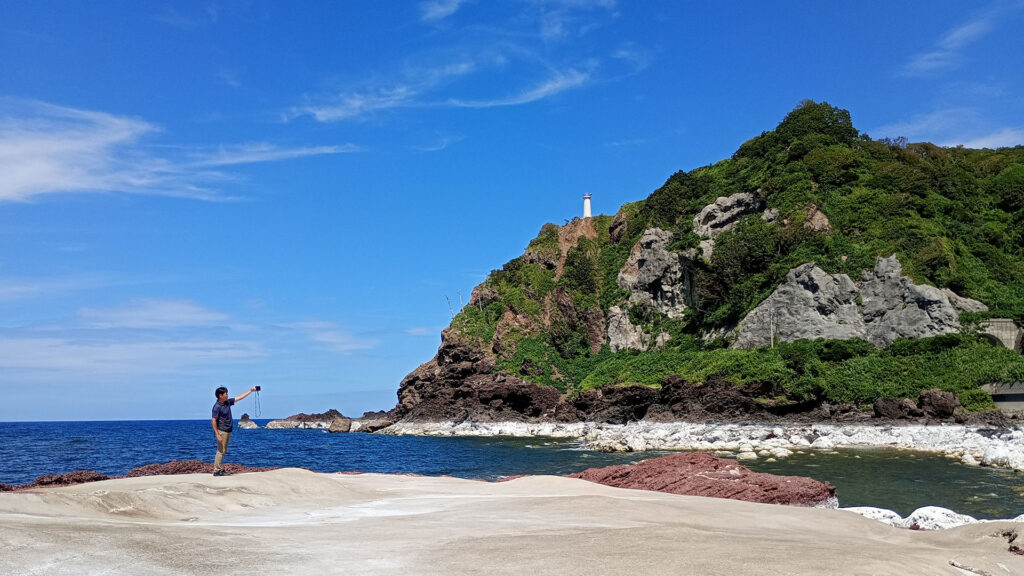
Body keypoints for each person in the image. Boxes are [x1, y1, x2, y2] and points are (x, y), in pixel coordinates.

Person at [211, 386, 258, 476]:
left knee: (223, 450)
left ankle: (219, 469)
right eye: (226, 393)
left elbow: (240, 397)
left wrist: (250, 391)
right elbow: (213, 420)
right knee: (220, 451)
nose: (227, 395)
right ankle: (217, 470)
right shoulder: (217, 406)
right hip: (222, 431)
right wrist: (217, 434)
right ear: (220, 395)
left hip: (228, 430)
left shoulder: (227, 402)